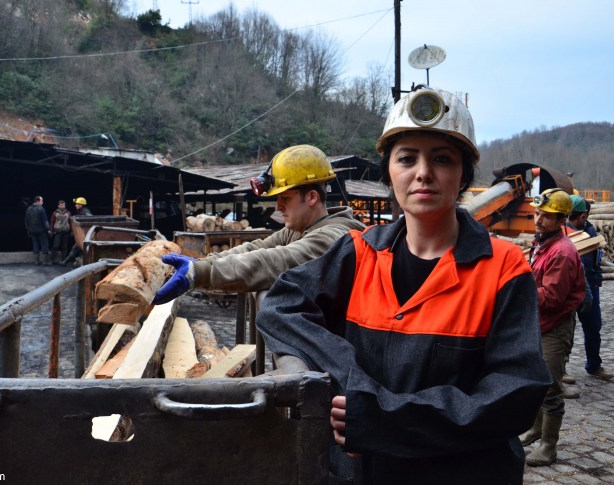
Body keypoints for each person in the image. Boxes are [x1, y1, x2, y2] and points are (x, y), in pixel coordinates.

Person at [255, 87, 551, 484]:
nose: (423, 172)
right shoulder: (359, 253)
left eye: (442, 159)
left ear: (463, 174)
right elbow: (279, 307)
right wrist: (354, 382)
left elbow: (516, 394)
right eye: (407, 158)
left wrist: (386, 419)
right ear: (389, 172)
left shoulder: (503, 268)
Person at [152, 144, 365, 305]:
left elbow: (274, 261)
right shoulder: (298, 230)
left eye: (285, 198)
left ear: (311, 197)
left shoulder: (336, 237)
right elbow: (257, 248)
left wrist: (199, 273)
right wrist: (201, 263)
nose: (278, 206)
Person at [519, 188, 586, 467]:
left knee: (550, 386)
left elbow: (551, 298)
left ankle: (549, 445)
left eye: (546, 216)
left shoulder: (561, 252)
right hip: (539, 323)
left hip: (555, 326)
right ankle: (536, 429)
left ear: (561, 220)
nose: (538, 220)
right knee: (536, 381)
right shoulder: (543, 243)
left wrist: (517, 288)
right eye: (537, 214)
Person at [567, 196, 613, 380]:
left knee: (593, 328)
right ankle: (560, 370)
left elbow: (595, 260)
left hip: (591, 287)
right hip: (570, 290)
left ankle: (594, 365)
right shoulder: (562, 233)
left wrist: (595, 281)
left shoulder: (590, 230)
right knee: (565, 331)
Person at [61, 197, 93, 267]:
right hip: (82, 235)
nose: (76, 205)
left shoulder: (86, 212)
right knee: (76, 248)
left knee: (76, 248)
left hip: (85, 235)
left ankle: (66, 261)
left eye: (77, 204)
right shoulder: (80, 211)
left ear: (81, 205)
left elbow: (90, 218)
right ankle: (67, 261)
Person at [24, 195, 51, 265]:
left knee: (35, 245)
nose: (42, 202)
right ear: (37, 201)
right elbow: (45, 221)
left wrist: (28, 229)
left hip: (32, 231)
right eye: (41, 201)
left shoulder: (28, 209)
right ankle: (45, 261)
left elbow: (26, 221)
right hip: (41, 230)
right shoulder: (41, 209)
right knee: (44, 244)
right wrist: (48, 229)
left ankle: (36, 261)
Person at [49, 200, 72, 264]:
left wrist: (72, 231)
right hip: (58, 232)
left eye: (63, 205)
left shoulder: (68, 213)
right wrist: (51, 230)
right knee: (55, 246)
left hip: (65, 231)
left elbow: (70, 222)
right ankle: (51, 260)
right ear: (58, 206)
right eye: (61, 205)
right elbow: (52, 222)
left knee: (64, 247)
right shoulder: (55, 213)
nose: (62, 206)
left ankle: (63, 260)